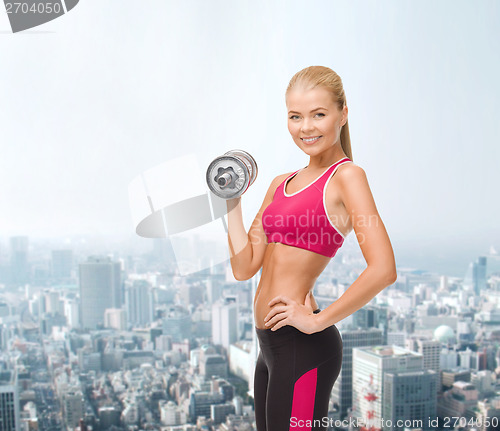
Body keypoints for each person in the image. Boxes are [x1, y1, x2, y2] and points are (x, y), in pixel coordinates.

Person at [225, 65, 397, 431]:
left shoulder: (347, 178)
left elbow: (383, 268)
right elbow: (245, 267)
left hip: (303, 347)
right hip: (269, 346)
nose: (306, 127)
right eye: (295, 116)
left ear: (343, 113)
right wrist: (231, 202)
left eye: (319, 114)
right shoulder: (279, 183)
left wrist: (318, 320)